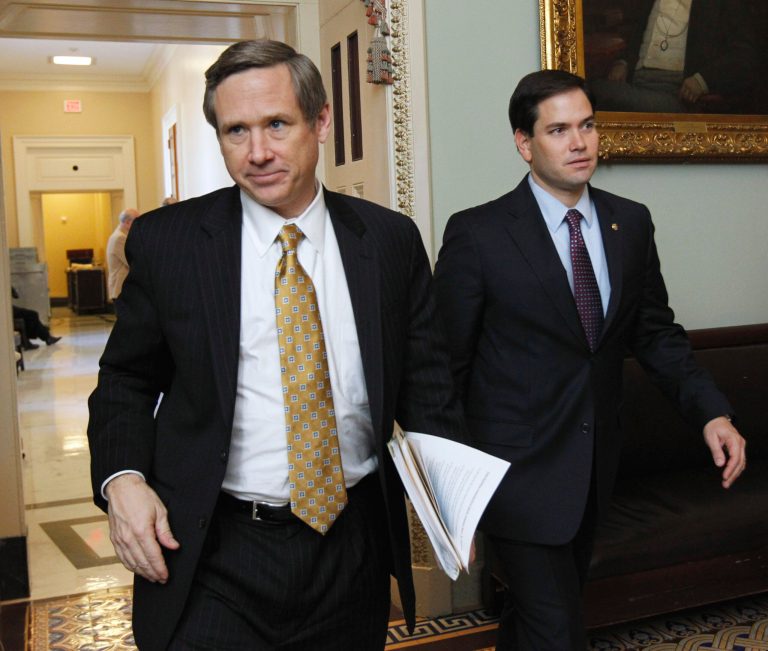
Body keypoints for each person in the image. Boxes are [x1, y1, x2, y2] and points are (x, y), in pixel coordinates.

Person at [87, 39, 463, 651]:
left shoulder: (389, 242)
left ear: (320, 122)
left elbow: (429, 389)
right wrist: (122, 480)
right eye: (237, 131)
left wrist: (455, 507)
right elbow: (125, 380)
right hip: (213, 547)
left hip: (352, 548)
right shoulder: (170, 244)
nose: (257, 152)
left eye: (277, 125)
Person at [433, 69, 746, 650]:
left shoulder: (630, 223)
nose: (579, 143)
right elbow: (443, 368)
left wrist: (712, 413)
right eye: (558, 130)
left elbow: (656, 334)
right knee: (558, 632)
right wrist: (450, 496)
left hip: (593, 470)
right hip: (512, 478)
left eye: (587, 125)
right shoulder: (478, 235)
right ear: (524, 144)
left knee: (536, 622)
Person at [591, 0, 760, 113]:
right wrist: (623, 62)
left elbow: (744, 56)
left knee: (596, 93)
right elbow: (635, 36)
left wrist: (703, 81)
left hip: (677, 95)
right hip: (633, 84)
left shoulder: (724, 4)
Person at [105, 208, 140, 300]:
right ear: (128, 222)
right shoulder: (120, 238)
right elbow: (132, 260)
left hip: (123, 288)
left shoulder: (121, 235)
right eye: (137, 221)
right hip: (121, 288)